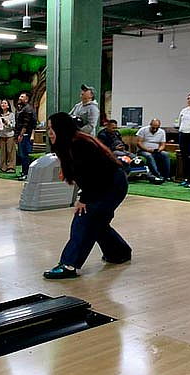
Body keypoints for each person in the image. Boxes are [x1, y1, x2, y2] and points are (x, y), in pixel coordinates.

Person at [43, 112, 131, 279]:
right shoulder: (70, 143)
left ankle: (69, 265)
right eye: (48, 129)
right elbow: (84, 174)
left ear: (62, 128)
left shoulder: (80, 144)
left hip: (111, 185)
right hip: (104, 184)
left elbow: (94, 174)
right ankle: (119, 252)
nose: (49, 132)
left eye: (51, 128)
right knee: (97, 222)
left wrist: (84, 199)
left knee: (84, 219)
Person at [15, 92, 36, 181]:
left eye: (22, 96)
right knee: (22, 154)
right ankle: (24, 171)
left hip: (25, 135)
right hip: (22, 134)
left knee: (24, 155)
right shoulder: (22, 108)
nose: (20, 97)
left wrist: (21, 135)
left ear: (27, 99)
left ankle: (26, 173)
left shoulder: (28, 109)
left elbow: (25, 124)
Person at [0, 99, 16, 173]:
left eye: (5, 103)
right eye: (2, 103)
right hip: (1, 135)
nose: (3, 104)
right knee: (2, 152)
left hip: (10, 135)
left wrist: (7, 123)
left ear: (8, 106)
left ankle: (11, 167)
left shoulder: (11, 114)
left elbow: (13, 125)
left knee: (10, 151)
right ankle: (3, 167)